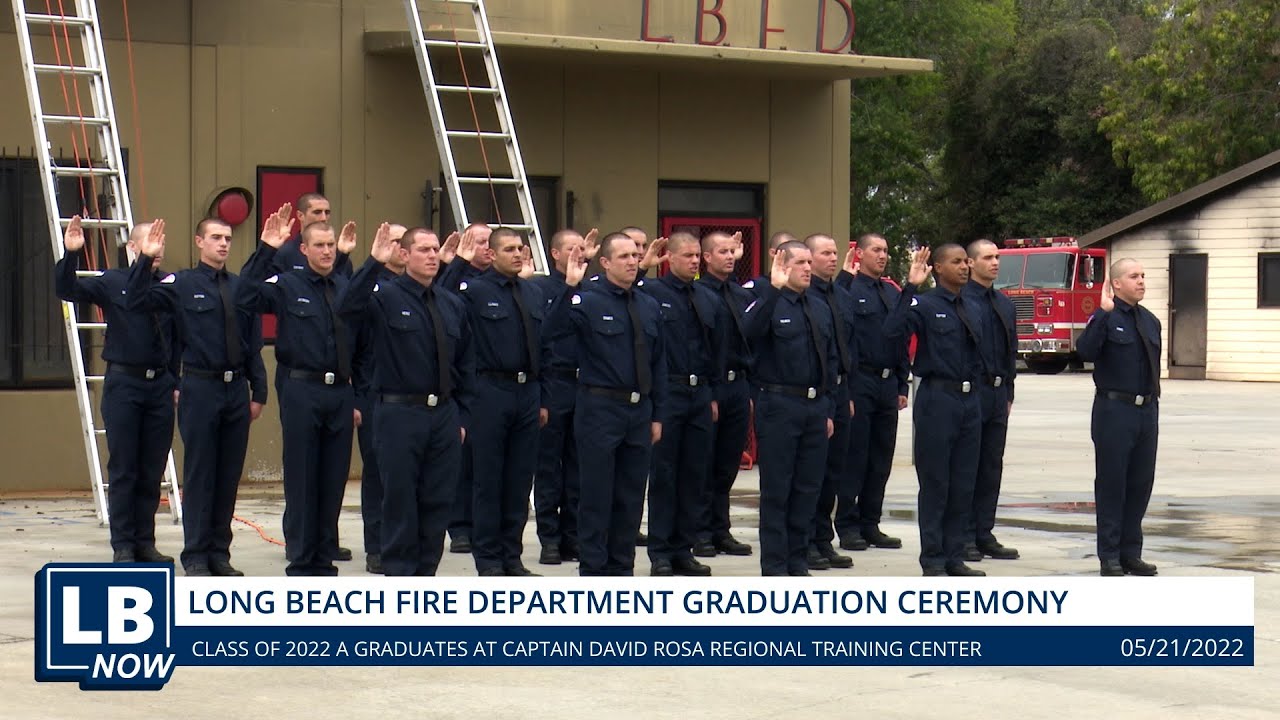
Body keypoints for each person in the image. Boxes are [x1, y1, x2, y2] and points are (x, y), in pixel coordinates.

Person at [127, 218, 268, 577]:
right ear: (199, 242)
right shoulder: (182, 283)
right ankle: (195, 555)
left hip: (235, 389)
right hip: (201, 388)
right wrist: (146, 259)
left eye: (228, 238)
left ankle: (219, 553)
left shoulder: (239, 288)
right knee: (201, 474)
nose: (223, 244)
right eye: (216, 237)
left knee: (227, 476)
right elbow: (137, 299)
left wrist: (259, 390)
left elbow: (251, 343)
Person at [336, 225, 475, 577]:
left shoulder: (450, 303)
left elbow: (465, 365)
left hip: (443, 415)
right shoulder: (384, 297)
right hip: (399, 412)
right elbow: (347, 307)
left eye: (434, 250)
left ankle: (425, 575)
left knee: (437, 500)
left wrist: (462, 418)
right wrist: (372, 262)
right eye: (423, 250)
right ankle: (400, 577)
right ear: (405, 254)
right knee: (399, 499)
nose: (431, 256)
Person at [54, 217, 180, 564]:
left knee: (152, 468)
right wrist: (71, 254)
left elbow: (178, 339)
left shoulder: (170, 284)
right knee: (125, 467)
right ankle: (123, 544)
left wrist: (175, 382)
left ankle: (145, 542)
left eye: (160, 241)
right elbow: (67, 290)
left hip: (160, 386)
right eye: (149, 241)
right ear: (133, 247)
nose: (156, 248)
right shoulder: (113, 281)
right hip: (125, 383)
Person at [240, 208, 358, 576]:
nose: (327, 251)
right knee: (303, 474)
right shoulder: (287, 284)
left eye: (331, 245)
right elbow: (245, 296)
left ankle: (324, 553)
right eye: (319, 245)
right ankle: (303, 557)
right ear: (304, 249)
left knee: (334, 476)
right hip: (302, 388)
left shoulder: (344, 287)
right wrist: (266, 250)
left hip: (340, 392)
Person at [542, 232, 667, 576]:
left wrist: (658, 414)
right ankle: (594, 570)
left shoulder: (648, 305)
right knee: (597, 495)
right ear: (606, 263)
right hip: (600, 408)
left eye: (635, 256)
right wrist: (569, 286)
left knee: (630, 496)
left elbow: (659, 363)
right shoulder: (587, 300)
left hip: (639, 411)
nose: (632, 261)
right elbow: (550, 331)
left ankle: (621, 568)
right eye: (623, 256)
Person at [885, 244, 986, 577]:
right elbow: (892, 331)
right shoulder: (925, 304)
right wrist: (911, 286)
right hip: (937, 400)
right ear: (938, 268)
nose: (964, 267)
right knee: (936, 483)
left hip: (969, 400)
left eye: (966, 262)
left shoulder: (972, 306)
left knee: (963, 484)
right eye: (956, 262)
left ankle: (955, 556)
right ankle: (933, 558)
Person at [742, 241, 838, 576]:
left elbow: (830, 359)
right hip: (779, 405)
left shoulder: (819, 306)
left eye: (810, 262)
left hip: (815, 406)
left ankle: (798, 561)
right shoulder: (767, 300)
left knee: (807, 489)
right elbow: (748, 334)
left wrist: (828, 408)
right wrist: (773, 290)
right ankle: (775, 566)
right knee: (777, 491)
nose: (808, 268)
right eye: (801, 262)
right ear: (782, 265)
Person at [457, 227, 544, 577]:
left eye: (520, 248)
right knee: (489, 480)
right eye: (509, 249)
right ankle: (489, 558)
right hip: (490, 390)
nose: (518, 254)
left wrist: (543, 397)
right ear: (491, 255)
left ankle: (512, 555)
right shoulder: (475, 291)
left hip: (528, 392)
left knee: (520, 480)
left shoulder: (532, 292)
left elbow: (546, 344)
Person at [638, 231, 725, 577]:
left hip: (699, 393)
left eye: (696, 256)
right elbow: (625, 293)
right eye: (687, 256)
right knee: (664, 475)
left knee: (694, 474)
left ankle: (683, 549)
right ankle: (660, 551)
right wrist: (642, 268)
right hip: (669, 392)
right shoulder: (653, 293)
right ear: (670, 258)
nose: (694, 261)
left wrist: (713, 394)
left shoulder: (707, 297)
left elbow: (716, 350)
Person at [1076, 258, 1161, 577]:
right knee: (1113, 484)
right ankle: (1109, 556)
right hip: (1114, 410)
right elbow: (1085, 351)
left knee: (1140, 484)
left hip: (1146, 410)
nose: (1141, 281)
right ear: (1116, 283)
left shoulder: (1150, 321)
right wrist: (1102, 313)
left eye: (1143, 275)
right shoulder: (1105, 318)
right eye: (1133, 276)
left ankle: (1130, 553)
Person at [836, 233, 909, 551]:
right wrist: (847, 390)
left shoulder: (891, 292)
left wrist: (902, 383)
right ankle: (847, 524)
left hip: (887, 383)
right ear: (860, 254)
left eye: (885, 251)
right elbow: (843, 339)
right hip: (860, 381)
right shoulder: (849, 290)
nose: (882, 256)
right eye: (876, 250)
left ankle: (871, 523)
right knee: (856, 457)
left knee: (881, 458)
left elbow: (900, 339)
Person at [528, 229, 591, 565]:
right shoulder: (542, 288)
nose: (577, 253)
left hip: (586, 386)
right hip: (555, 383)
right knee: (549, 467)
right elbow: (545, 332)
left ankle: (573, 536)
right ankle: (549, 538)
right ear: (554, 254)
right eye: (570, 248)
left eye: (582, 248)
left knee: (579, 468)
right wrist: (568, 288)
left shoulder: (592, 290)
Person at [351, 223, 407, 574]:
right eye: (394, 241)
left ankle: (403, 543)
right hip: (374, 393)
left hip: (412, 399)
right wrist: (356, 397)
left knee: (407, 476)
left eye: (404, 241)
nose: (400, 247)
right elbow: (353, 343)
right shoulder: (370, 287)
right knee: (377, 474)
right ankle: (377, 546)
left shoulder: (417, 288)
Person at [694, 231, 754, 557]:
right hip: (711, 387)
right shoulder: (699, 293)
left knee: (728, 463)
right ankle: (700, 531)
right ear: (706, 257)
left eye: (733, 251)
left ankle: (721, 529)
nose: (730, 257)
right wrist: (710, 392)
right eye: (723, 252)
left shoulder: (740, 294)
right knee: (705, 462)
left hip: (739, 385)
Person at [804, 233, 858, 571]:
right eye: (825, 253)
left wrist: (846, 393)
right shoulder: (804, 296)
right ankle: (807, 540)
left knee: (834, 470)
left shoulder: (841, 296)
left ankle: (824, 539)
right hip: (816, 391)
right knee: (813, 471)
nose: (833, 258)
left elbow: (848, 347)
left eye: (835, 252)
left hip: (840, 389)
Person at [963, 239, 1020, 562]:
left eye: (997, 257)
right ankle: (965, 534)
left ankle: (984, 532)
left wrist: (1009, 392)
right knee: (968, 466)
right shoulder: (962, 301)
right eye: (988, 257)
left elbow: (1011, 351)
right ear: (971, 263)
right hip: (973, 391)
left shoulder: (1004, 303)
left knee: (991, 466)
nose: (995, 262)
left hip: (998, 394)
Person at [436, 221, 491, 554]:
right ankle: (459, 527)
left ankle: (484, 525)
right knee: (463, 458)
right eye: (478, 241)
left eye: (488, 241)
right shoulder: (455, 276)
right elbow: (440, 296)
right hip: (464, 380)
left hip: (496, 383)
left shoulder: (500, 280)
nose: (485, 247)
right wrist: (457, 262)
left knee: (489, 461)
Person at [272, 192, 355, 276]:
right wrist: (268, 247)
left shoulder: (339, 256)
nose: (323, 218)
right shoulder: (285, 253)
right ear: (300, 215)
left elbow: (341, 282)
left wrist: (342, 257)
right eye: (317, 212)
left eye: (327, 213)